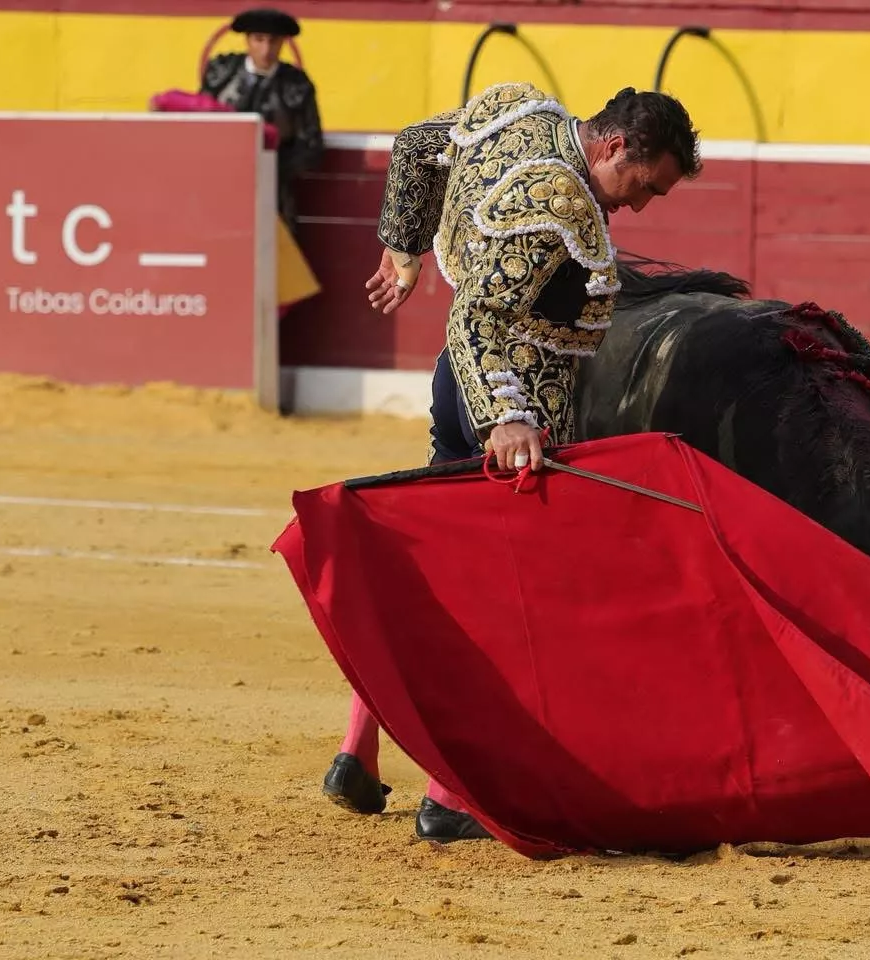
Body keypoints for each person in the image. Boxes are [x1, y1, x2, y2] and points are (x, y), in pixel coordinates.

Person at [322, 81, 702, 842]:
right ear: (615, 147)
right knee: (501, 601)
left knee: (430, 576)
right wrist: (508, 415)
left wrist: (403, 249)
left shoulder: (518, 112)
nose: (641, 207)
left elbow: (415, 147)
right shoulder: (556, 206)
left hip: (456, 382)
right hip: (513, 398)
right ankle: (450, 800)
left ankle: (357, 755)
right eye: (645, 185)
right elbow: (479, 317)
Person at [200, 7, 324, 230]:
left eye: (273, 41)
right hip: (218, 180)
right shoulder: (221, 73)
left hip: (273, 187)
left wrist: (269, 168)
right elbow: (201, 126)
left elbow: (311, 145)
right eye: (259, 40)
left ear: (283, 43)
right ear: (247, 40)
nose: (266, 49)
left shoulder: (296, 85)